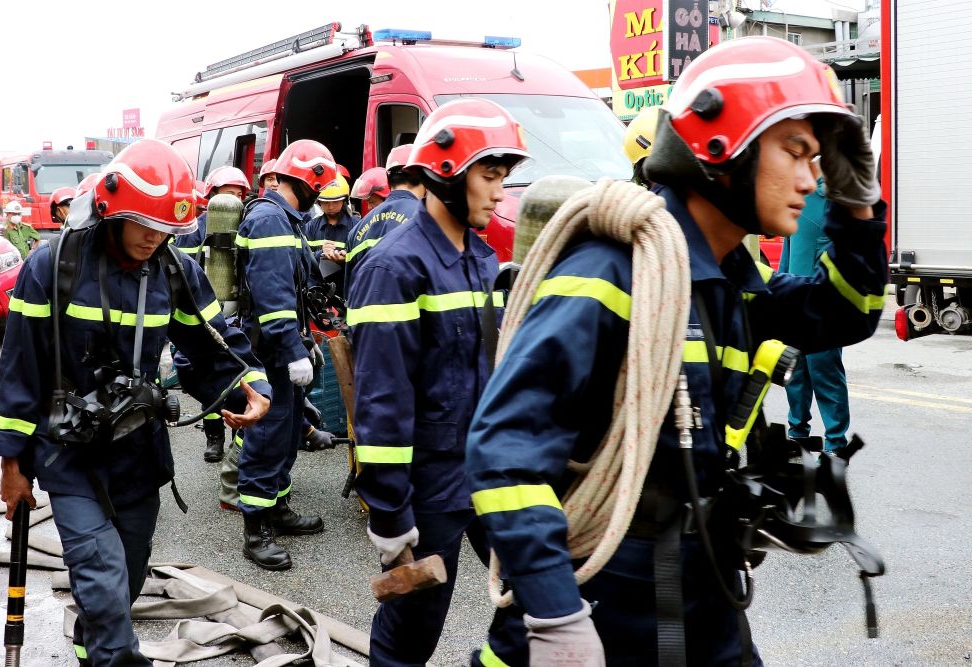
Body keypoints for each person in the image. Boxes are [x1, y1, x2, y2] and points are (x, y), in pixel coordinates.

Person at [465, 36, 887, 666]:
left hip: (703, 583)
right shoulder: (611, 274)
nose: (811, 179)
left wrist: (858, 206)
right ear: (723, 147)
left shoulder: (732, 282)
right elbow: (505, 454)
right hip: (603, 596)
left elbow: (848, 310)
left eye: (818, 160)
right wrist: (555, 615)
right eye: (795, 152)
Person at [0, 138, 272, 666]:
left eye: (164, 227)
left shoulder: (173, 270)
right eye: (143, 222)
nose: (153, 236)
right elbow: (19, 370)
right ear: (110, 209)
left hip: (139, 453)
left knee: (127, 577)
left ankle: (91, 649)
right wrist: (12, 464)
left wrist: (251, 386)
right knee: (101, 575)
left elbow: (214, 345)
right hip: (69, 456)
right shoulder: (52, 267)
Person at [347, 98, 530, 667]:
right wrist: (390, 515)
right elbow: (382, 402)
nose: (500, 194)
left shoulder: (480, 259)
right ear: (448, 173)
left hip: (487, 469)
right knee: (410, 633)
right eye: (490, 176)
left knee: (538, 593)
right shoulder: (394, 268)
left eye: (503, 179)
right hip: (429, 487)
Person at [235, 138, 338, 570]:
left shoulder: (286, 220)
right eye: (320, 186)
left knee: (288, 431)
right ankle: (255, 530)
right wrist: (293, 349)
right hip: (269, 352)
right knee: (267, 436)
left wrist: (306, 339)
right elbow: (273, 297)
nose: (322, 195)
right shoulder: (270, 221)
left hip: (282, 347)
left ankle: (276, 508)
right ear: (308, 181)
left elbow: (298, 287)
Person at [173, 166, 252, 462]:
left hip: (237, 310)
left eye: (238, 195)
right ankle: (214, 436)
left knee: (237, 371)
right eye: (228, 194)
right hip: (204, 309)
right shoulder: (195, 228)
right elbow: (182, 270)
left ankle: (238, 437)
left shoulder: (246, 225)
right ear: (212, 195)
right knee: (205, 372)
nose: (234, 200)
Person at [779, 176, 851, 455]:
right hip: (795, 302)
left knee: (824, 372)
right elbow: (787, 252)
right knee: (795, 370)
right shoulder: (795, 195)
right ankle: (798, 435)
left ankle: (835, 444)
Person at [344, 144, 425, 285]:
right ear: (424, 176)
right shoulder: (430, 221)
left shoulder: (355, 232)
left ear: (388, 179)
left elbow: (350, 288)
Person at [302, 173, 356, 299]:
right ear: (318, 202)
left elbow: (365, 262)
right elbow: (301, 260)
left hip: (347, 294)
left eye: (335, 201)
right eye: (326, 202)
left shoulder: (357, 226)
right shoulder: (310, 227)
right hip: (316, 295)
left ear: (344, 200)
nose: (330, 207)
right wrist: (320, 254)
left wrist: (346, 260)